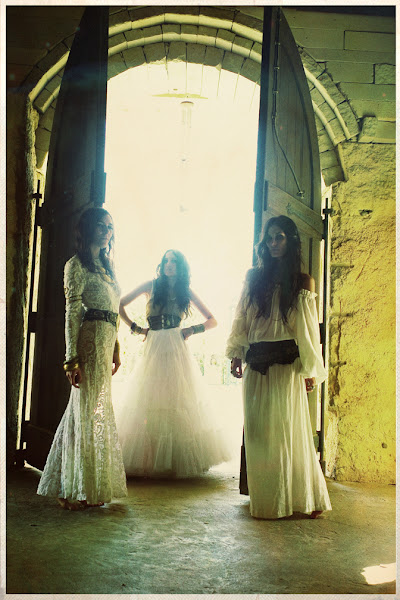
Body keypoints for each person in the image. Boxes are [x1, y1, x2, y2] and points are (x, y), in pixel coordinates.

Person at [226, 215, 332, 520]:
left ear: (291, 240)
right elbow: (241, 318)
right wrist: (236, 354)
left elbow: (307, 331)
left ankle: (301, 496)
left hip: (287, 365)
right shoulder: (253, 278)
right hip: (256, 362)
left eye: (280, 237)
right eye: (270, 238)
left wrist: (310, 368)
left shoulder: (302, 281)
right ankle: (268, 498)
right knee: (259, 434)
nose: (274, 243)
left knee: (288, 431)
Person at [37, 207, 128, 510]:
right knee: (84, 410)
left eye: (110, 226)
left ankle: (86, 486)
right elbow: (72, 312)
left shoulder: (108, 266)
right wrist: (71, 360)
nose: (106, 231)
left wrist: (116, 347)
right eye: (100, 226)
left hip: (106, 341)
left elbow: (112, 311)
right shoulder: (75, 265)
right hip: (88, 343)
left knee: (92, 412)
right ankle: (70, 488)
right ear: (87, 229)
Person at [115, 249, 230, 478]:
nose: (169, 264)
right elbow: (119, 304)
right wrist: (136, 328)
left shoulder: (185, 290)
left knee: (177, 398)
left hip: (176, 348)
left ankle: (176, 461)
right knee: (150, 397)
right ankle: (149, 459)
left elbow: (213, 320)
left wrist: (192, 329)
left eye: (173, 261)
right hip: (154, 345)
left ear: (180, 266)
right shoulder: (150, 285)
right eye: (166, 260)